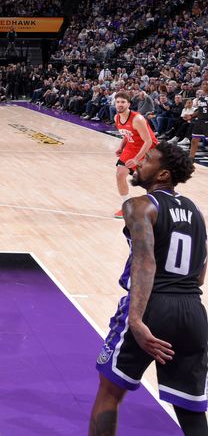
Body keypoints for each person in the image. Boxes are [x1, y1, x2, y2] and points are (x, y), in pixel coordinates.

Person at [90, 142, 207, 436]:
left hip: (152, 306)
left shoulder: (139, 205)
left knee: (109, 393)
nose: (139, 162)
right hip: (193, 311)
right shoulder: (195, 211)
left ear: (163, 175)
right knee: (191, 409)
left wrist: (136, 319)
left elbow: (145, 261)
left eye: (148, 159)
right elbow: (201, 273)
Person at [114, 92, 158, 218]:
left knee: (147, 180)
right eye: (118, 102)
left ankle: (159, 205)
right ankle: (127, 206)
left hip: (148, 148)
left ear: (129, 104)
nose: (120, 104)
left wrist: (136, 159)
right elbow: (127, 134)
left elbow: (148, 141)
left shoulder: (137, 119)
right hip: (132, 147)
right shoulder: (116, 117)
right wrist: (121, 147)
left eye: (123, 102)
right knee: (120, 174)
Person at [189, 84, 207, 161]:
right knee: (194, 140)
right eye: (203, 84)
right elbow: (200, 111)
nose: (204, 86)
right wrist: (191, 116)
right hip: (200, 121)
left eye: (206, 84)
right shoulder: (201, 98)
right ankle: (191, 158)